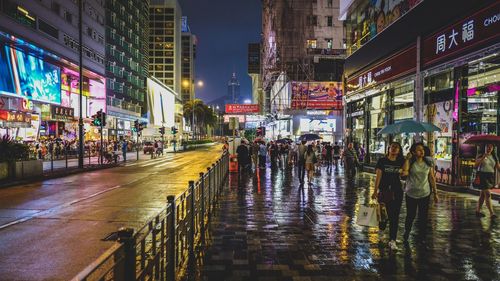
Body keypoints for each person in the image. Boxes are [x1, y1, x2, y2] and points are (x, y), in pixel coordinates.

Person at [401, 143, 439, 243]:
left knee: (423, 216)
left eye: (422, 149)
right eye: (418, 150)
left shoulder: (428, 162)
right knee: (410, 215)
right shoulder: (410, 162)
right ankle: (407, 232)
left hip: (425, 193)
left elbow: (431, 177)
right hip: (411, 193)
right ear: (413, 152)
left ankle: (422, 236)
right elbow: (404, 172)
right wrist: (407, 159)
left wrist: (435, 192)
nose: (421, 151)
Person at [371, 142, 405, 251]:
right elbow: (378, 176)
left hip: (397, 191)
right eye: (393, 147)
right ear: (389, 148)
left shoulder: (401, 161)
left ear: (399, 150)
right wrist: (375, 191)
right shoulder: (382, 161)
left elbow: (405, 173)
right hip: (384, 191)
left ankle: (392, 240)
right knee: (383, 216)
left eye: (397, 147)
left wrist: (407, 160)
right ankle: (382, 226)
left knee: (394, 216)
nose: (395, 149)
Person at [474, 144, 499, 218]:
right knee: (487, 194)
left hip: (490, 176)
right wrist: (483, 157)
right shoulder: (480, 155)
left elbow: (498, 167)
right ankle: (492, 213)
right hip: (482, 176)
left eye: (491, 147)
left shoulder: (494, 156)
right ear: (484, 147)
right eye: (488, 146)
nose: (489, 148)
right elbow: (476, 165)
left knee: (482, 195)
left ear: (493, 148)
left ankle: (477, 211)